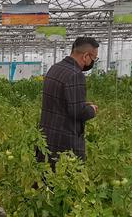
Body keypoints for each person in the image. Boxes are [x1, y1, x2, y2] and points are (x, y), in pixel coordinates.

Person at [38, 36, 99, 166]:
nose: (92, 62)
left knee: (47, 174)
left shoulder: (54, 68)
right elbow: (78, 112)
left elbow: (59, 100)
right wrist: (91, 110)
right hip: (65, 143)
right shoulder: (76, 75)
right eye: (94, 59)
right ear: (86, 56)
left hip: (46, 138)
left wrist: (81, 103)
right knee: (67, 176)